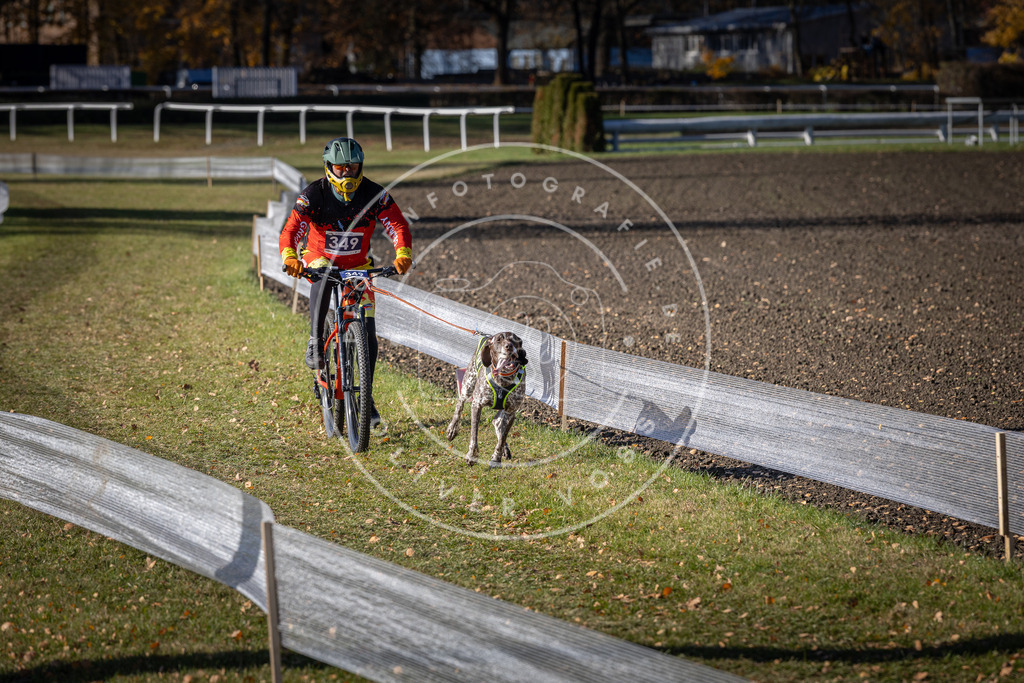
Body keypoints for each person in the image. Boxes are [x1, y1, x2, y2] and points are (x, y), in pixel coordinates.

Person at [279, 136, 412, 425]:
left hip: (358, 267)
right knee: (324, 274)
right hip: (319, 257)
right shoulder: (314, 194)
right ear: (328, 167)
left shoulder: (374, 193)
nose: (347, 173)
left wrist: (402, 252)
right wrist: (291, 256)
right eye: (340, 168)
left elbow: (396, 223)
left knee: (368, 332)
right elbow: (291, 230)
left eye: (352, 167)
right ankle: (316, 341)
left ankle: (366, 396)